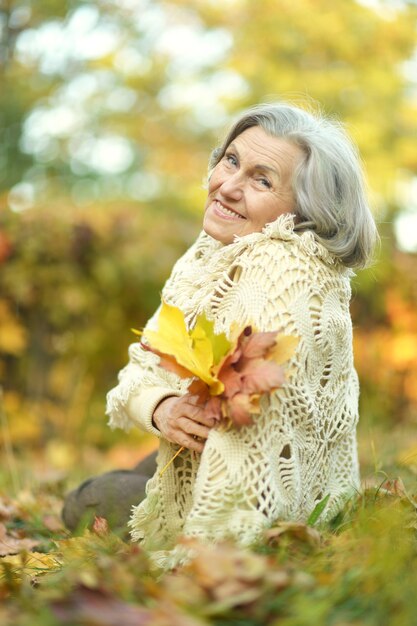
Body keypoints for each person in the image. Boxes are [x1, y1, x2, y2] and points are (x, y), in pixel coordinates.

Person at [63, 102, 378, 568]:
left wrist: (204, 555)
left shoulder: (283, 270)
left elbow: (252, 442)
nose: (227, 187)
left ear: (305, 210)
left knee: (85, 500)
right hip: (203, 452)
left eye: (261, 179)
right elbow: (142, 364)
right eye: (231, 160)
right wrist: (162, 407)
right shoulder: (211, 255)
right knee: (144, 472)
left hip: (267, 497)